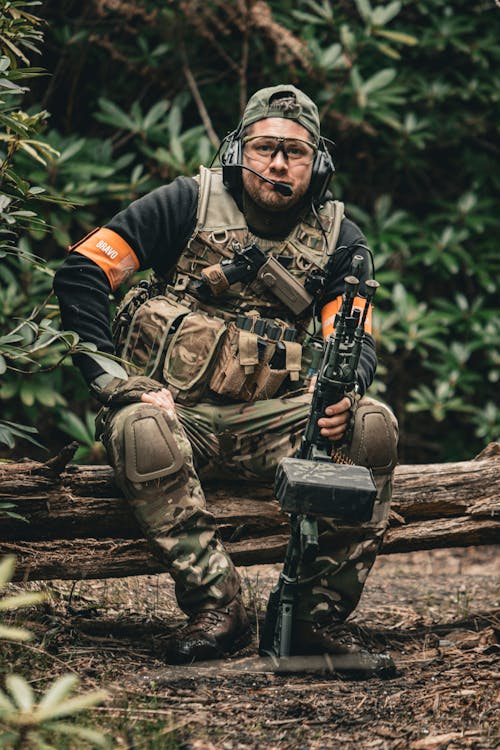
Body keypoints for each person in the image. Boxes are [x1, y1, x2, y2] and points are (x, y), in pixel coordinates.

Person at [54, 84, 398, 666]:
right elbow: (82, 272)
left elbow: (355, 334)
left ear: (319, 164)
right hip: (176, 413)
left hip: (273, 420)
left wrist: (343, 390)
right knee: (139, 427)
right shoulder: (184, 203)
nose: (280, 163)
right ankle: (220, 608)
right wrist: (116, 381)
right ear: (239, 150)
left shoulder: (340, 237)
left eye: (297, 151)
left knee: (372, 426)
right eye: (266, 147)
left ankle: (314, 618)